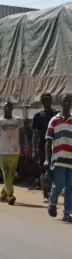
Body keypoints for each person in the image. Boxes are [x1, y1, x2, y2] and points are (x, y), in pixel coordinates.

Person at [44, 94, 72, 222]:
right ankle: (53, 201)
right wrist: (47, 159)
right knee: (59, 184)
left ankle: (67, 213)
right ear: (61, 102)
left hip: (71, 160)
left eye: (70, 101)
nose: (68, 103)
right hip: (58, 159)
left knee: (70, 187)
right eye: (66, 100)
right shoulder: (54, 120)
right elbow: (48, 142)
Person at [0, 101, 25, 205]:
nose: (7, 109)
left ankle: (3, 195)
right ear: (3, 108)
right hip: (3, 151)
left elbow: (22, 135)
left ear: (12, 109)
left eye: (9, 107)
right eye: (5, 107)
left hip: (15, 150)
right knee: (6, 172)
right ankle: (11, 195)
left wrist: (24, 147)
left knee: (11, 175)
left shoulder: (18, 121)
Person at [32, 93, 58, 202]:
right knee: (43, 170)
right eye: (45, 100)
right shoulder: (38, 116)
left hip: (55, 146)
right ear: (42, 102)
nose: (47, 101)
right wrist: (34, 149)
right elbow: (35, 134)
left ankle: (53, 194)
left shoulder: (56, 114)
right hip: (42, 146)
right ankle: (46, 195)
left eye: (49, 99)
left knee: (55, 170)